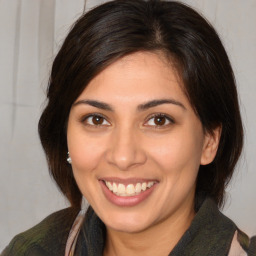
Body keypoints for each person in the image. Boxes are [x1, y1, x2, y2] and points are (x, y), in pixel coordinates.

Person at [2, 0, 256, 255]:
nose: (123, 157)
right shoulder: (32, 250)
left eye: (159, 120)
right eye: (96, 119)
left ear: (209, 141)